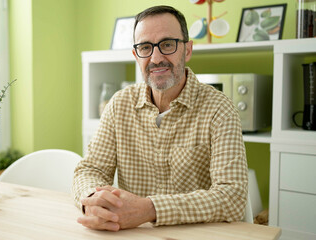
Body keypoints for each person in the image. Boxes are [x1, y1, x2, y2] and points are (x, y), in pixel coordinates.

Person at [73, 5, 248, 232]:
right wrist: (93, 202)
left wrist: (150, 209)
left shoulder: (219, 109)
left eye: (167, 44)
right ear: (136, 55)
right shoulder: (119, 105)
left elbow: (232, 197)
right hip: (132, 235)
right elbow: (90, 170)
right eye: (145, 47)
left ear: (187, 50)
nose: (156, 58)